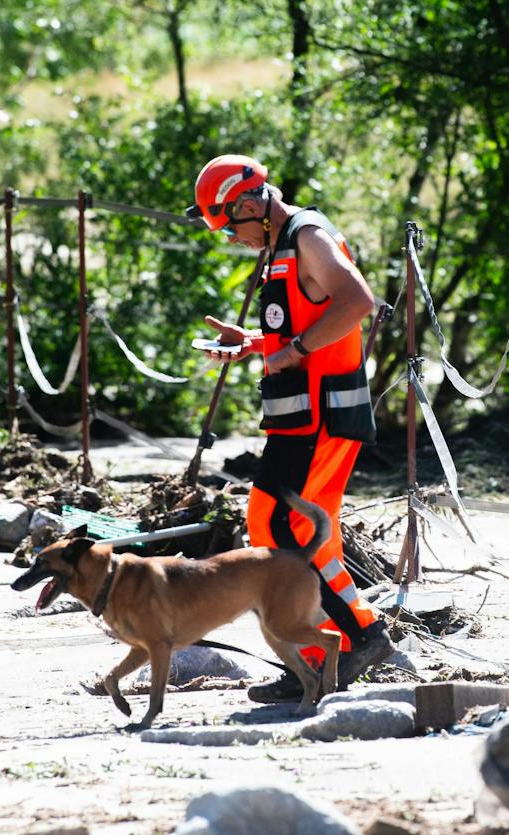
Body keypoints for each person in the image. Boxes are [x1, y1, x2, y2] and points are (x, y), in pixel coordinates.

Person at [185, 153, 392, 701]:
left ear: (251, 203)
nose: (230, 236)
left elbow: (357, 302)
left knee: (279, 528)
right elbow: (309, 317)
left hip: (320, 416)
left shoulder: (308, 234)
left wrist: (295, 348)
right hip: (299, 417)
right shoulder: (281, 244)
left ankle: (357, 640)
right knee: (294, 531)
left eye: (231, 223)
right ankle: (335, 649)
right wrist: (255, 344)